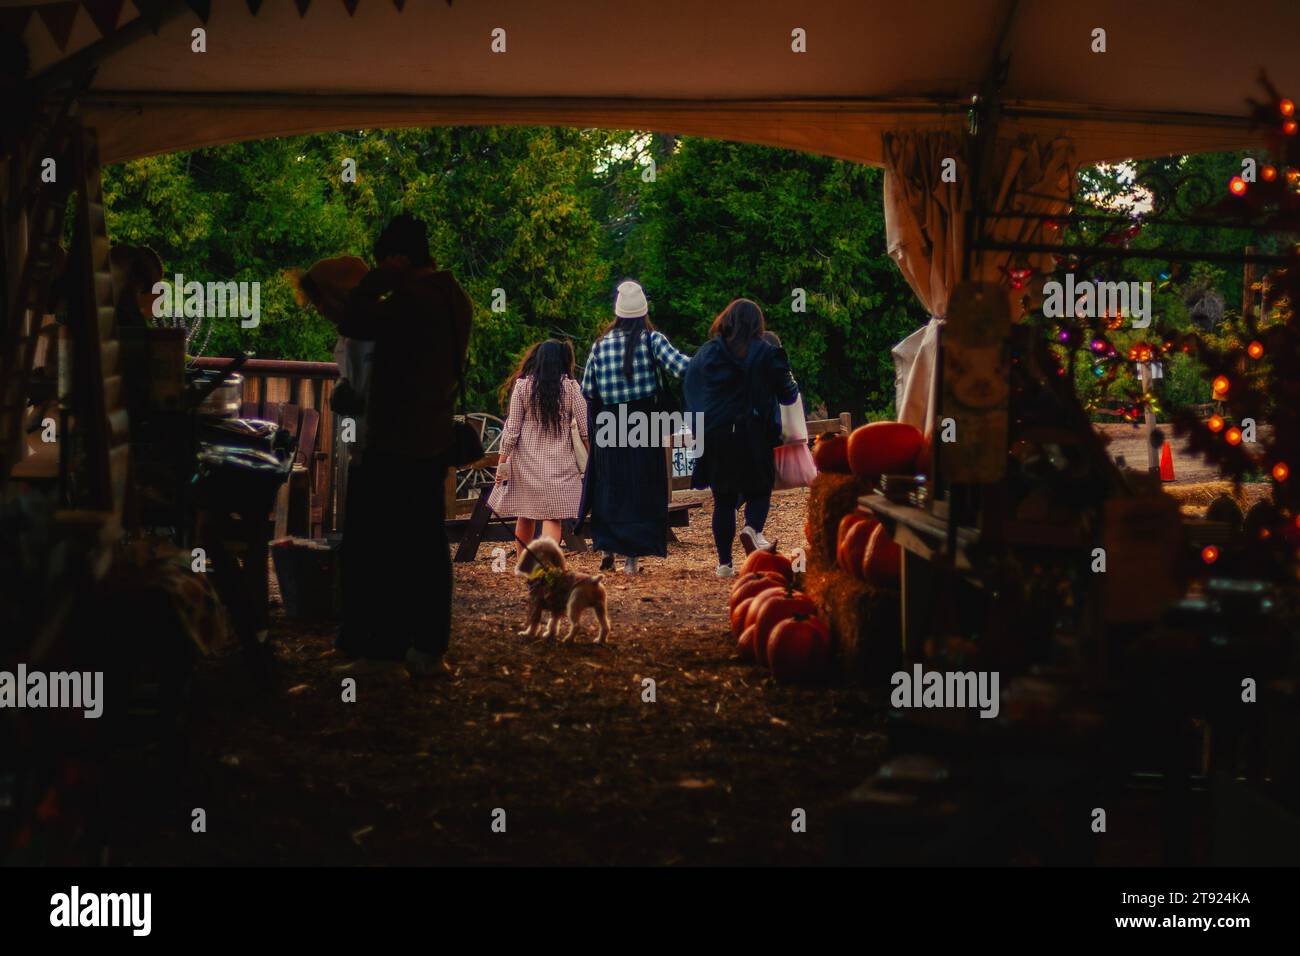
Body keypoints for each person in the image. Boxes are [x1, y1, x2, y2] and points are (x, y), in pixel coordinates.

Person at [332, 214, 473, 676]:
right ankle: (429, 648)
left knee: (382, 550)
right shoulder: (455, 299)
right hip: (432, 439)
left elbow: (353, 319)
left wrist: (375, 281)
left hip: (396, 440)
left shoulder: (411, 300)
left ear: (397, 258)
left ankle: (382, 652)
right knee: (425, 547)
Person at [578, 280, 689, 574]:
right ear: (643, 312)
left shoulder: (600, 345)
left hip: (610, 423)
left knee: (612, 487)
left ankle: (609, 547)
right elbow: (682, 368)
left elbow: (588, 389)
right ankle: (632, 559)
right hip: (645, 422)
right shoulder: (653, 340)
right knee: (642, 487)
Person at [684, 298, 799, 577]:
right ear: (757, 325)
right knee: (760, 488)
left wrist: (701, 424)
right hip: (754, 433)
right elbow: (788, 394)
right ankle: (752, 528)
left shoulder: (708, 353)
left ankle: (724, 564)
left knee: (723, 499)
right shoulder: (766, 352)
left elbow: (690, 388)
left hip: (718, 436)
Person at [488, 339, 588, 556]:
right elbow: (585, 430)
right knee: (552, 517)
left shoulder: (523, 387)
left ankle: (523, 563)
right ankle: (547, 565)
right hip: (559, 463)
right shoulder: (571, 389)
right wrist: (593, 459)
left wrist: (501, 464)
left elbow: (511, 430)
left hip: (526, 463)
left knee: (525, 515)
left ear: (538, 359)